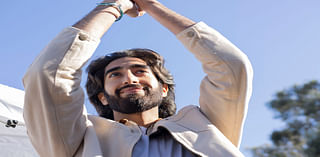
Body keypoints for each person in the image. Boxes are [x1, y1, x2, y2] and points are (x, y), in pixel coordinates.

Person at [23, 0, 253, 156]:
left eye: (140, 71)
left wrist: (150, 5)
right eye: (115, 74)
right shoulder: (79, 138)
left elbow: (231, 66)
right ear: (102, 97)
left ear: (163, 89)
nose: (130, 78)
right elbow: (49, 74)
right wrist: (116, 5)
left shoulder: (206, 124)